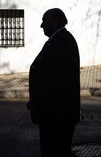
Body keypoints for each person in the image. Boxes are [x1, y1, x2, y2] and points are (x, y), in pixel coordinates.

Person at [28, 8, 80, 157]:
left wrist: (38, 102)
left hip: (56, 116)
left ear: (54, 21)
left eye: (44, 21)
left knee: (55, 151)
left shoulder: (62, 42)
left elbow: (56, 83)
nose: (41, 25)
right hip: (55, 114)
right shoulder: (58, 40)